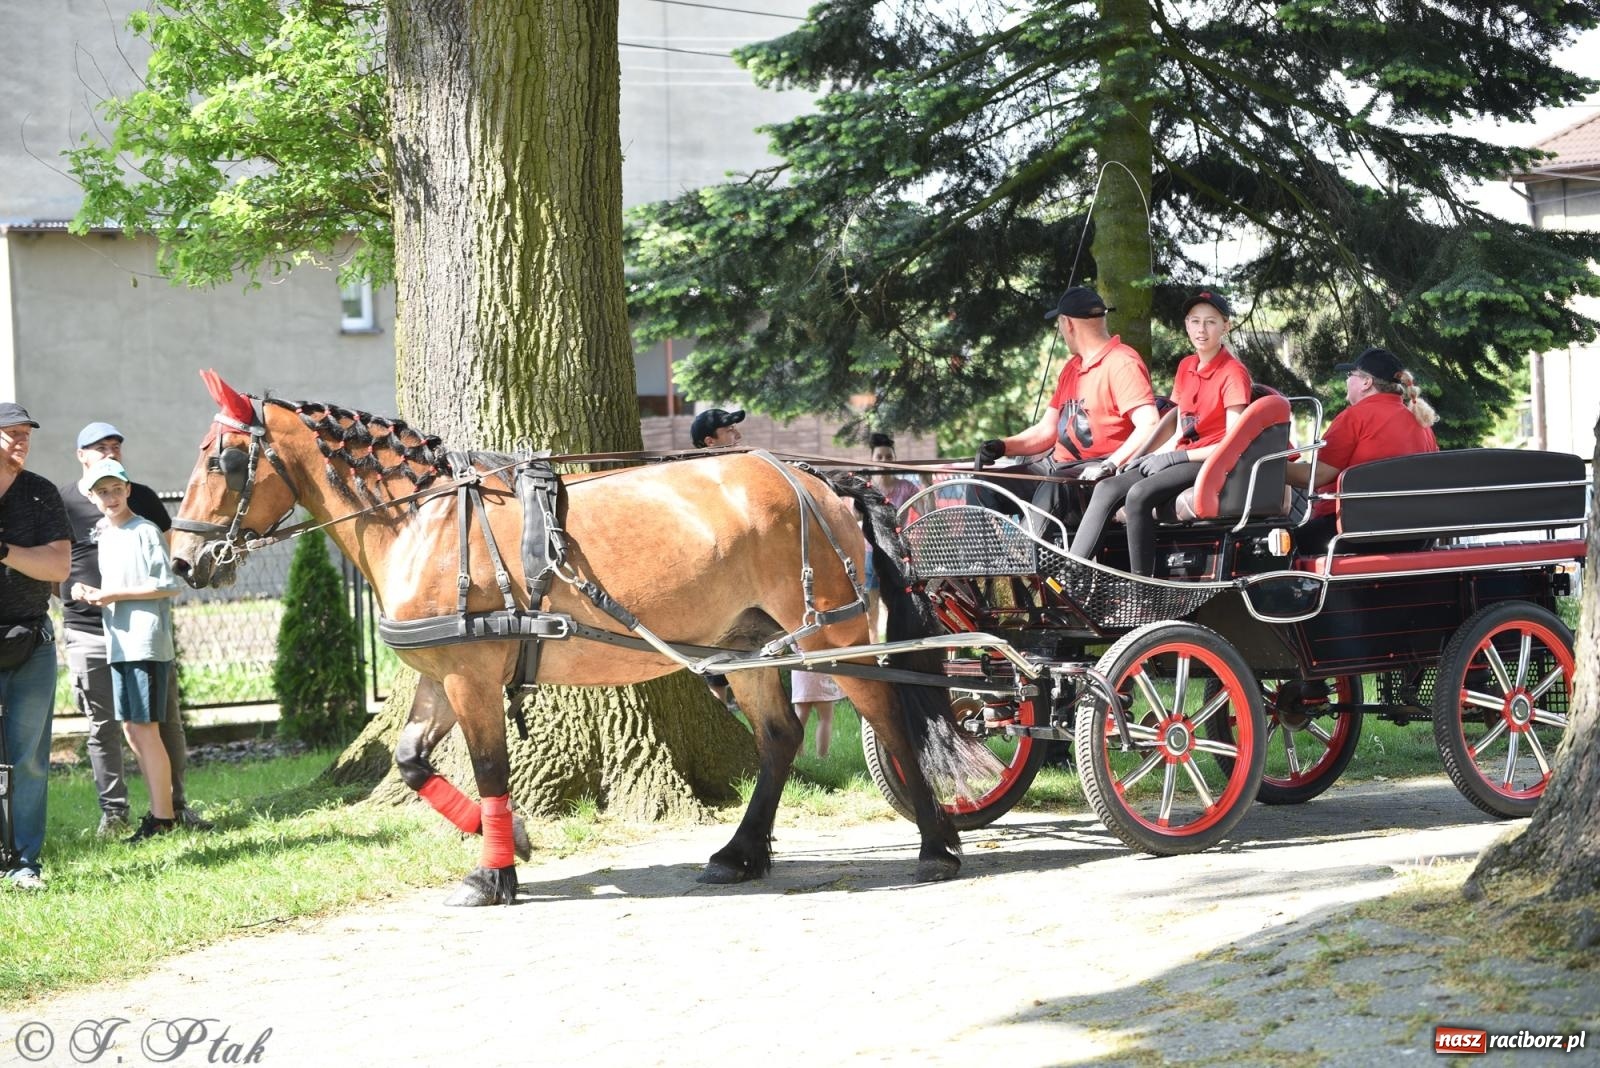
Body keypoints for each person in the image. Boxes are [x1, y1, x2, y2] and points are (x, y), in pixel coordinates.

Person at [60, 422, 206, 836]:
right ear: (81, 459)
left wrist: (113, 596)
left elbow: (166, 577)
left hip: (139, 634)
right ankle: (120, 814)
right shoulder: (78, 509)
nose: (110, 452)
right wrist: (80, 592)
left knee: (155, 724)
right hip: (97, 631)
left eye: (115, 447)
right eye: (99, 448)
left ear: (125, 489)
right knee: (118, 726)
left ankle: (169, 812)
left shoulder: (140, 515)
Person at [1069, 291, 1253, 574]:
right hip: (1182, 456)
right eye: (1194, 322)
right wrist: (1145, 454)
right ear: (1186, 325)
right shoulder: (1186, 366)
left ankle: (1142, 587)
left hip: (1210, 461)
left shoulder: (1233, 373)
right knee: (1108, 487)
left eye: (1210, 322)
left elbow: (1233, 442)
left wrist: (1175, 458)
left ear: (1225, 326)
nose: (1201, 330)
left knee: (1139, 494)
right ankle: (1070, 574)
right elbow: (1176, 418)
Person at [977, 285, 1159, 525]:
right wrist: (1003, 447)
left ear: (1068, 323)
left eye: (1060, 325)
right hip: (1056, 467)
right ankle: (983, 562)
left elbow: (1150, 424)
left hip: (1094, 472)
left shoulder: (1122, 362)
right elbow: (1047, 431)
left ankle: (1028, 559)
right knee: (982, 485)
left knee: (1054, 486)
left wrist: (1109, 465)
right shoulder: (1072, 367)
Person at [0, 402, 72, 891]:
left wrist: (4, 551)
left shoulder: (41, 493)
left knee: (28, 759)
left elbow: (59, 568)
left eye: (26, 433)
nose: (21, 441)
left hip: (31, 643)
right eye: (11, 433)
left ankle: (25, 862)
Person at [1287, 346, 1439, 553]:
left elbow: (1319, 475)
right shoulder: (1422, 423)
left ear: (1366, 382)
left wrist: (1266, 469)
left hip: (1355, 533)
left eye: (1351, 375)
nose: (1346, 380)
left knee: (1275, 548)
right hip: (1417, 535)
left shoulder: (1355, 417)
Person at [690, 410, 746, 708]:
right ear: (710, 442)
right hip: (714, 576)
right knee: (715, 657)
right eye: (730, 431)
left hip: (742, 574)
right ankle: (719, 711)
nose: (738, 436)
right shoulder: (701, 478)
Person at [863, 433, 921, 639]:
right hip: (870, 555)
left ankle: (895, 653)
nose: (885, 461)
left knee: (896, 609)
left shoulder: (905, 486)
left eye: (889, 457)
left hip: (896, 555)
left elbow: (927, 511)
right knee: (870, 612)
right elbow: (852, 520)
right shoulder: (866, 489)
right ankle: (873, 657)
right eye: (880, 457)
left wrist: (927, 482)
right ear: (872, 460)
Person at [790, 670, 842, 759]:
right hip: (821, 674)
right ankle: (822, 755)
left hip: (801, 676)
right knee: (825, 719)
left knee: (799, 719)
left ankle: (797, 754)